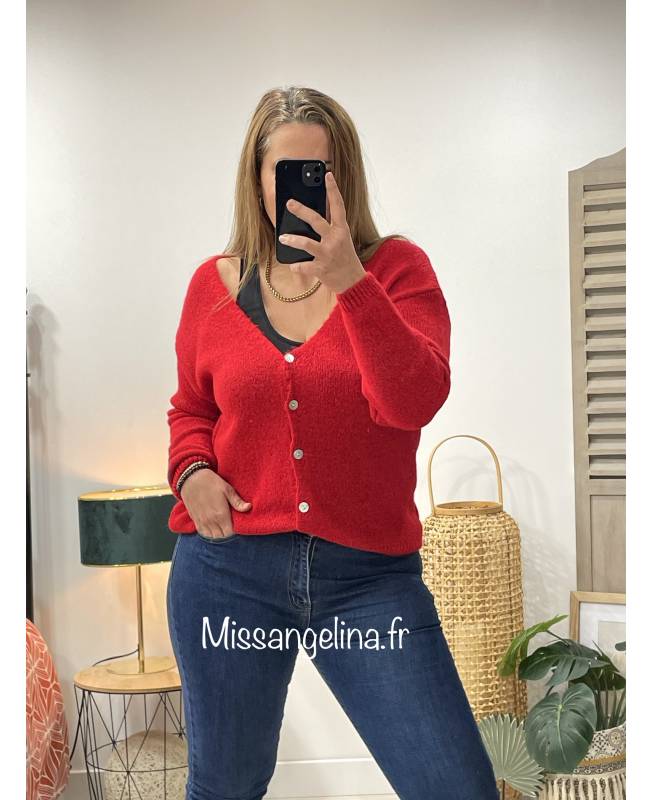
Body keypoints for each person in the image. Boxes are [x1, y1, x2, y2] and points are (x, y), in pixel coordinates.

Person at [166, 86, 499, 800]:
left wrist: (350, 280)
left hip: (367, 580)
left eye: (318, 172)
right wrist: (191, 470)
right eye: (285, 171)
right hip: (229, 575)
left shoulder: (397, 271)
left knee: (456, 787)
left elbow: (413, 400)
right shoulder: (212, 287)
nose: (301, 190)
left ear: (343, 178)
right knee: (226, 786)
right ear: (257, 181)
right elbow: (190, 409)